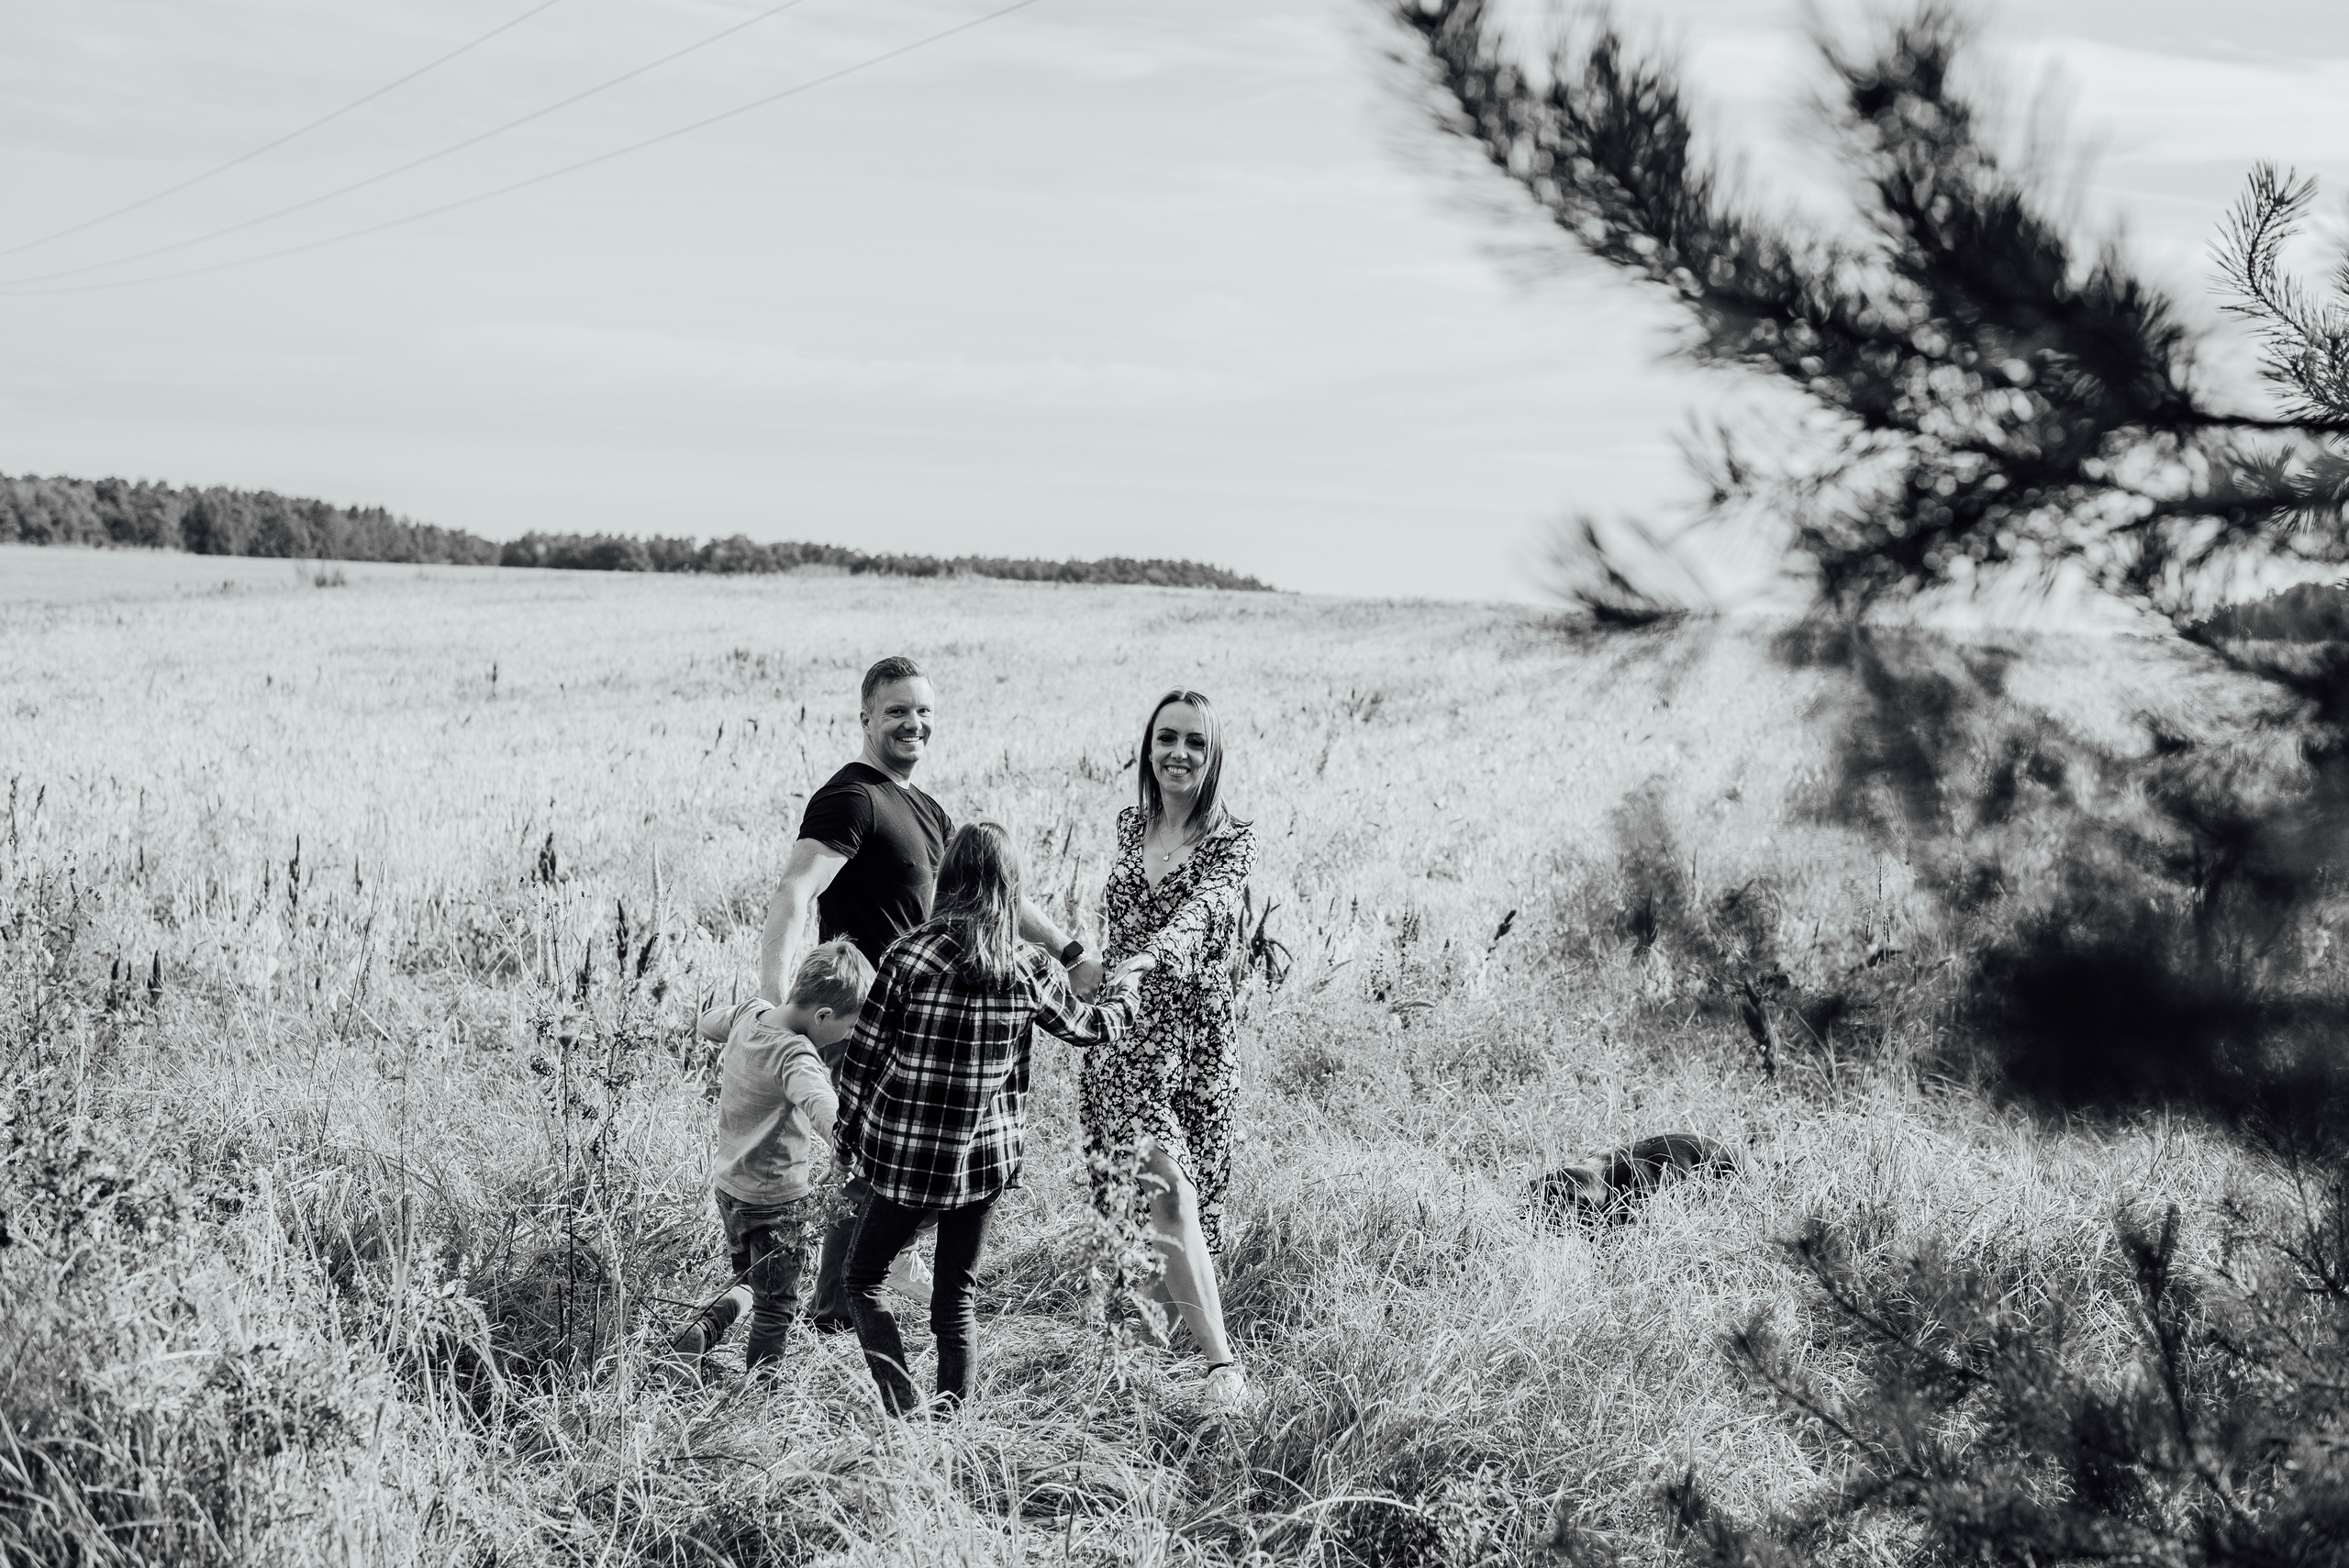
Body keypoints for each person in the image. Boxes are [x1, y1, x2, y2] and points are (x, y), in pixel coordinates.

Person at [756, 656, 1103, 1334]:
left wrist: (1069, 951)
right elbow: (796, 892)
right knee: (870, 1169)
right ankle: (835, 1310)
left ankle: (867, 1280)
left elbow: (998, 900)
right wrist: (776, 1005)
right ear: (865, 718)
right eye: (897, 712)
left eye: (924, 713)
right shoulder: (852, 798)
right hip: (867, 1017)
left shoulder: (926, 808)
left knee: (909, 1165)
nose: (913, 724)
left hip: (927, 1021)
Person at [831, 822, 1152, 1417]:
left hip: (909, 1156)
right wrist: (1129, 987)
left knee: (862, 1278)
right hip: (983, 1162)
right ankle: (952, 1431)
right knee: (955, 1299)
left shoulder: (908, 954)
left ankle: (904, 1416)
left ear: (947, 879)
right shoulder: (1028, 966)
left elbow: (864, 1055)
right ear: (1010, 887)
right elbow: (1090, 1028)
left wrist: (845, 1135)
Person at [1085, 688, 1260, 1409]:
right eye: (1166, 738)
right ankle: (1225, 1370)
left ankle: (1128, 1369)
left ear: (1212, 753)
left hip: (1197, 1047)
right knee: (1165, 1193)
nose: (1177, 752)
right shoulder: (1131, 825)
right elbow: (1111, 932)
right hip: (1124, 1041)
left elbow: (1203, 913)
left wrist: (1149, 957)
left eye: (1193, 740)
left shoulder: (1233, 840)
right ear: (1148, 746)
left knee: (1173, 1222)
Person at [670, 940, 872, 1375]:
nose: (849, 1037)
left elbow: (707, 1023)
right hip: (778, 1204)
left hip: (730, 1190)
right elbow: (821, 1102)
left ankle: (702, 1332)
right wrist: (845, 1140)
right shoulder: (796, 1055)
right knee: (776, 1308)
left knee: (750, 1282)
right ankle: (759, 1395)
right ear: (822, 1017)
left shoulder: (749, 1013)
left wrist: (711, 1022)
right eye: (849, 1027)